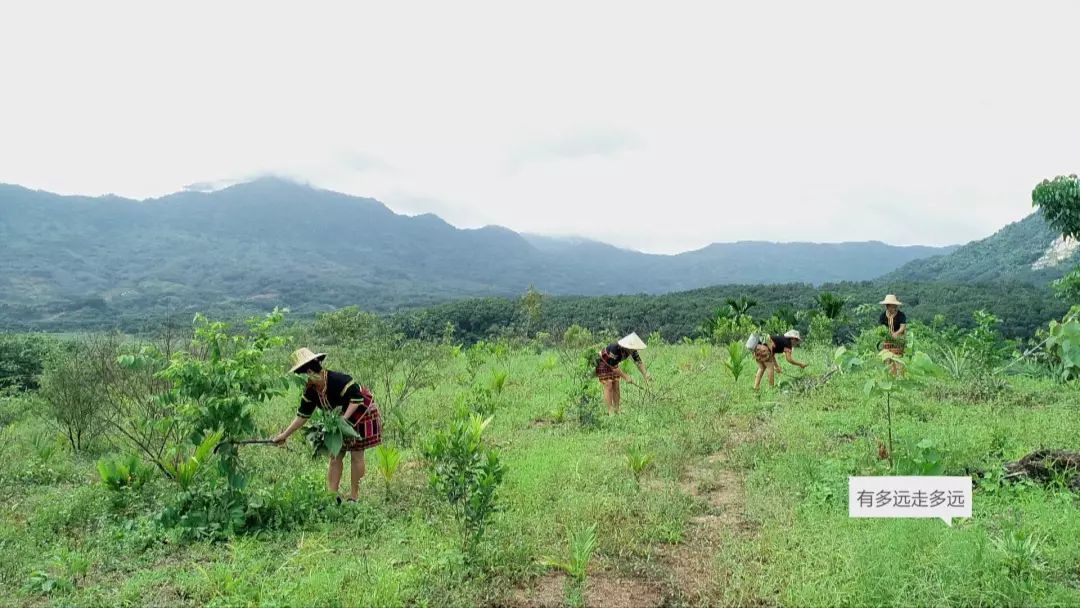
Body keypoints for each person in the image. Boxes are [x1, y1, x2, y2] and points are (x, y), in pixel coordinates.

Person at [273, 348, 382, 503]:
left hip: (360, 412)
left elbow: (356, 399)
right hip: (339, 418)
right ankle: (332, 496)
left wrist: (343, 419)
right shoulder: (311, 391)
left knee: (357, 454)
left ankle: (354, 497)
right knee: (335, 454)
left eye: (309, 372)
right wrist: (284, 435)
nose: (309, 377)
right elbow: (302, 415)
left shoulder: (338, 380)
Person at [595, 333, 651, 414]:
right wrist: (626, 377)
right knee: (609, 385)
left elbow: (638, 362)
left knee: (616, 386)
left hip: (614, 364)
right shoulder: (615, 348)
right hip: (603, 362)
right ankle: (609, 411)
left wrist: (645, 374)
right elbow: (614, 367)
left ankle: (617, 409)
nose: (633, 350)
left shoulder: (632, 351)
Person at [879, 294, 908, 375]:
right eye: (892, 306)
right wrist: (887, 334)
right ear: (887, 306)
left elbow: (903, 326)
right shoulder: (882, 316)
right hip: (887, 340)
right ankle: (890, 374)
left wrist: (896, 333)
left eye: (895, 306)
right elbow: (881, 329)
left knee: (897, 357)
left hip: (898, 340)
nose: (894, 308)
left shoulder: (901, 315)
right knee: (887, 358)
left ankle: (899, 375)